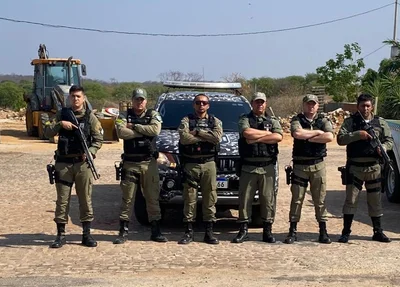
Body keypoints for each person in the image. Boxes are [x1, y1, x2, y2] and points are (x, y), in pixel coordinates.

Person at [43, 85, 103, 248]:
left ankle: (86, 235)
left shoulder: (90, 117)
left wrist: (90, 152)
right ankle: (61, 234)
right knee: (62, 200)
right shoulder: (62, 114)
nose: (75, 99)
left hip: (83, 164)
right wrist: (60, 124)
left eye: (78, 96)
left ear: (83, 98)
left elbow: (98, 139)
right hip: (63, 164)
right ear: (69, 98)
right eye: (73, 96)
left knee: (85, 199)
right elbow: (47, 132)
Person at [337, 93, 393, 243]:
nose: (366, 108)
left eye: (368, 105)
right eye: (363, 106)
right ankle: (346, 232)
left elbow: (389, 140)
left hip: (374, 167)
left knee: (375, 201)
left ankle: (378, 231)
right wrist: (358, 135)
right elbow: (341, 139)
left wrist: (385, 148)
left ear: (372, 106)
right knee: (351, 200)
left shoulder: (380, 122)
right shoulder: (350, 122)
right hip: (355, 167)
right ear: (358, 106)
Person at [113, 88, 167, 244]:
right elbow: (121, 133)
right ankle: (123, 231)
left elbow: (155, 130)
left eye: (142, 99)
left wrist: (134, 127)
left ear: (146, 101)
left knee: (152, 198)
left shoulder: (153, 115)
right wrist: (144, 131)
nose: (139, 102)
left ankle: (155, 230)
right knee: (127, 199)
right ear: (132, 100)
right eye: (137, 99)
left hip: (148, 163)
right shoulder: (123, 115)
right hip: (130, 163)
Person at [232, 92, 282, 244]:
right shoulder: (245, 119)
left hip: (267, 166)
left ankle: (267, 231)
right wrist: (267, 135)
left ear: (266, 104)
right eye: (257, 102)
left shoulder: (272, 120)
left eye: (262, 102)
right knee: (245, 199)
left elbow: (278, 136)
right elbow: (246, 133)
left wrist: (257, 138)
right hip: (249, 166)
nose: (260, 105)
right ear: (252, 104)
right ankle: (243, 230)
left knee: (267, 199)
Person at [283, 94, 333, 244]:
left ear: (317, 106)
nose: (311, 107)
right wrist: (318, 133)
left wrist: (309, 137)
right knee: (297, 199)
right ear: (304, 105)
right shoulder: (297, 120)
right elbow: (297, 134)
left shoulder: (323, 120)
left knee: (320, 199)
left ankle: (323, 231)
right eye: (308, 104)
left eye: (314, 104)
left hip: (318, 165)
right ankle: (292, 231)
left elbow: (330, 137)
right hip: (300, 165)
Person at [177, 93, 223, 245]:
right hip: (191, 164)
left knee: (210, 198)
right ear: (194, 105)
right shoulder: (186, 120)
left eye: (204, 103)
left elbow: (217, 138)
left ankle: (209, 232)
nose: (201, 105)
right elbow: (184, 138)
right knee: (189, 199)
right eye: (198, 102)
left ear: (208, 105)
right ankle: (188, 232)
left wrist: (197, 132)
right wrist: (206, 137)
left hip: (209, 164)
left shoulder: (215, 121)